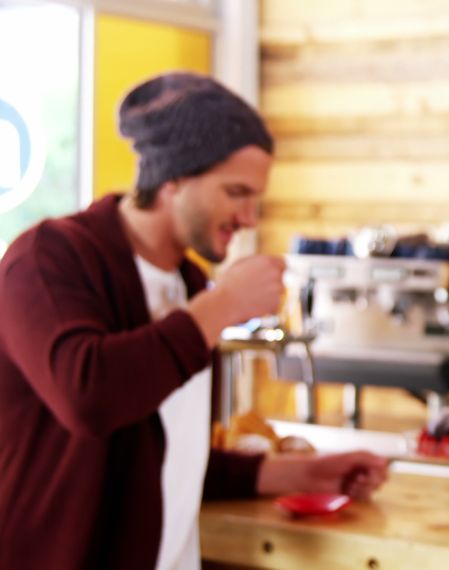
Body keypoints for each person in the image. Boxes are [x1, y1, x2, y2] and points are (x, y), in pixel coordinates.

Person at [0, 72, 389, 569]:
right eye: (235, 192)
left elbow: (168, 462)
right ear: (174, 177)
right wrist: (222, 305)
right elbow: (89, 397)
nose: (249, 217)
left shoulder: (187, 281)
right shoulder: (48, 259)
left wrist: (306, 474)